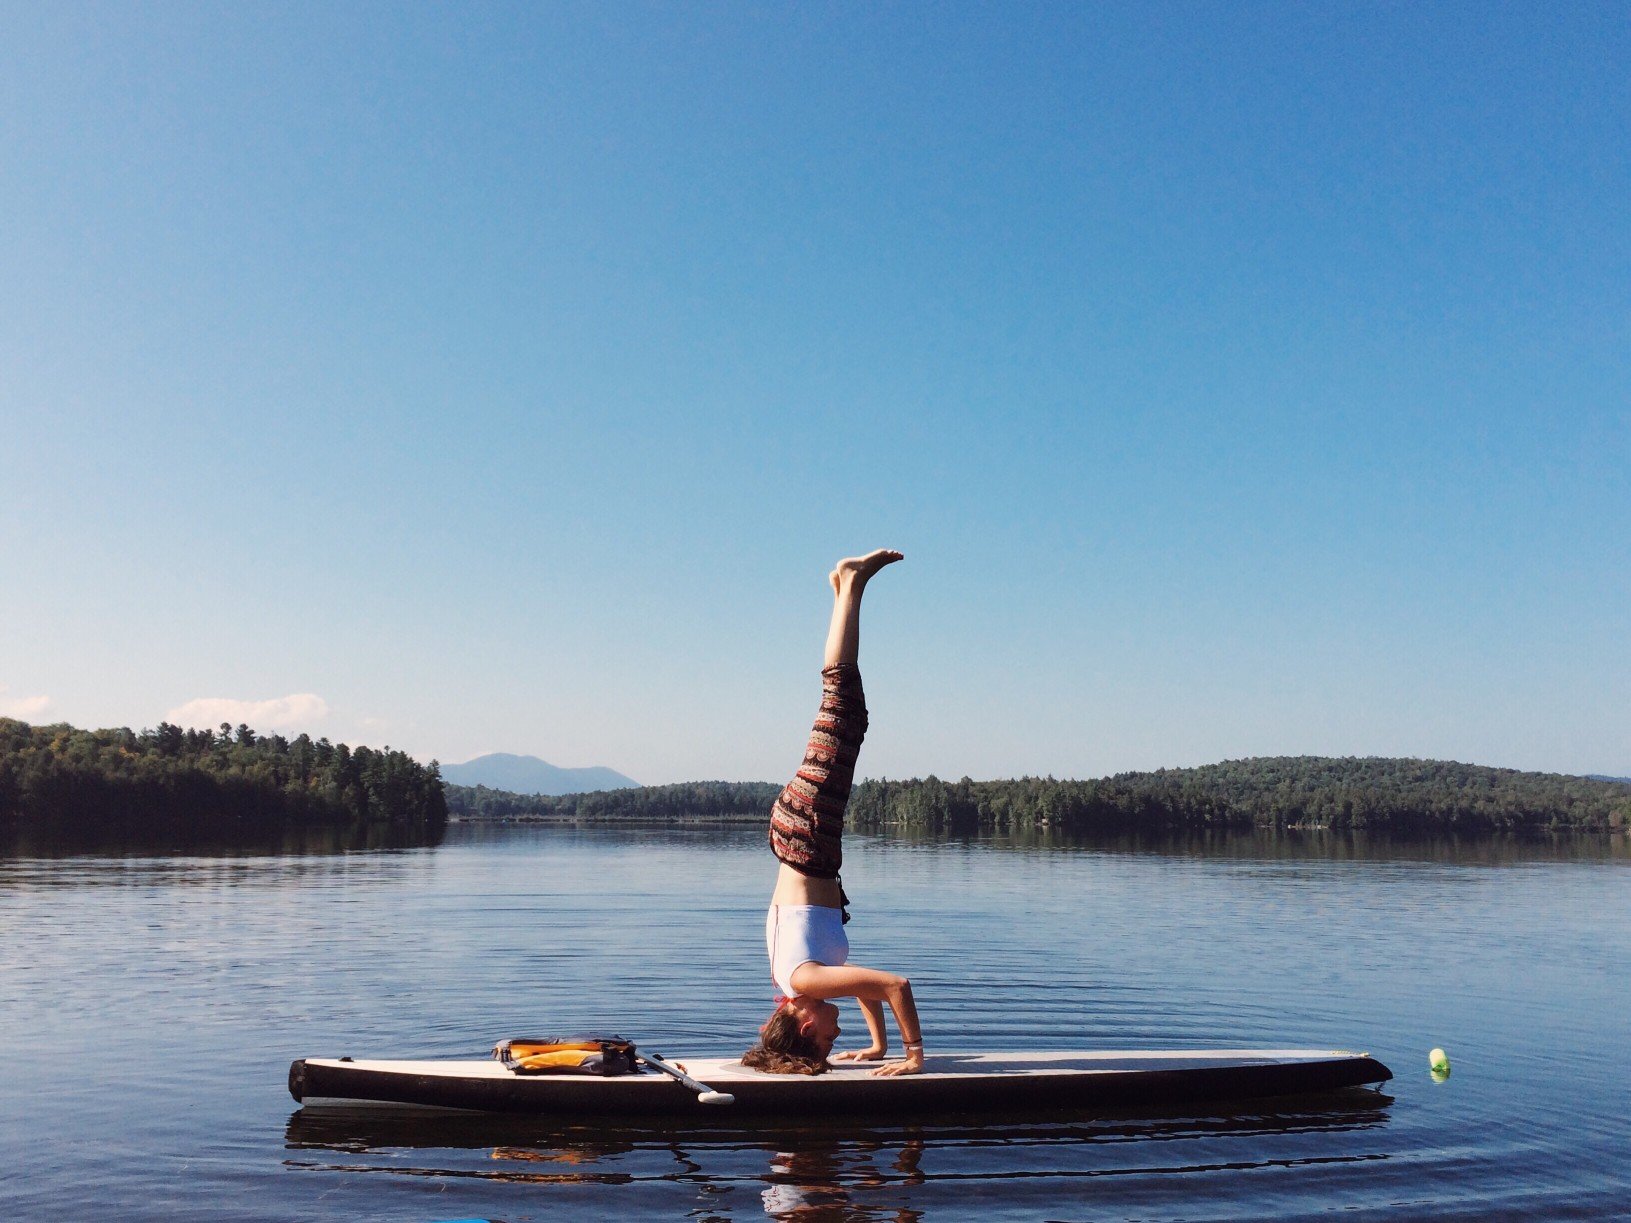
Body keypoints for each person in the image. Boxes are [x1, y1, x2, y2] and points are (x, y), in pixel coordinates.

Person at [742, 549, 925, 1078]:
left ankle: (851, 584)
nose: (834, 1034)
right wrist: (877, 1048)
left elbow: (895, 986)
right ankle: (844, 590)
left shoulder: (803, 982)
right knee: (848, 713)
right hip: (803, 837)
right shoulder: (806, 980)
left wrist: (914, 1056)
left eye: (824, 1040)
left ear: (804, 1025)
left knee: (841, 707)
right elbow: (867, 988)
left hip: (808, 833)